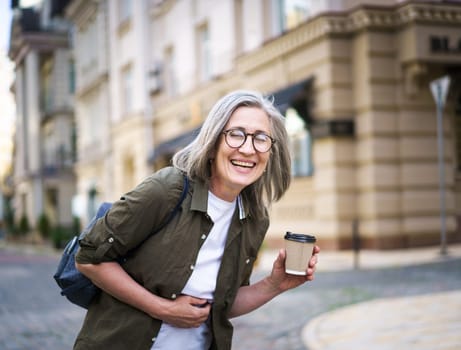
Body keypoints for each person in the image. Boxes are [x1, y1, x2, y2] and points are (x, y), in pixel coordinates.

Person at [73, 90, 320, 350]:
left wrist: (275, 284)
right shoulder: (167, 189)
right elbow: (89, 259)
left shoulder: (255, 218)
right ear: (213, 144)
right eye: (235, 134)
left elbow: (220, 304)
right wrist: (164, 309)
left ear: (271, 151)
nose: (248, 149)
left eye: (261, 138)